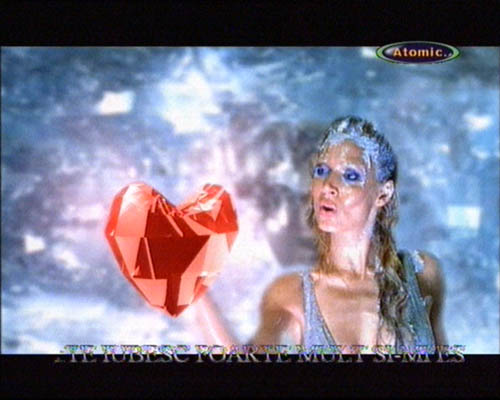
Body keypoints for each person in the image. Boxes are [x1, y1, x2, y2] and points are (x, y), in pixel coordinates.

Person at [195, 116, 447, 354]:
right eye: (321, 172)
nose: (328, 186)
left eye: (350, 176)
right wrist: (194, 291)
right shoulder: (290, 295)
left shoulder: (422, 274)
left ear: (383, 193)